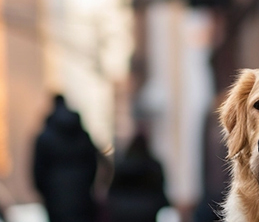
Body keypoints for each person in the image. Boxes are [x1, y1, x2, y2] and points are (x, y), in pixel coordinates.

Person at [32, 94, 100, 222]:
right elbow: (93, 163)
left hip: (55, 197)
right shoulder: (82, 135)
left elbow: (38, 170)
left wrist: (45, 192)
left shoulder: (45, 137)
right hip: (81, 196)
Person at [106, 133, 171, 222]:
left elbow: (112, 192)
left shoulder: (122, 166)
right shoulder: (154, 166)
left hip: (123, 213)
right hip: (148, 213)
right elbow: (160, 191)